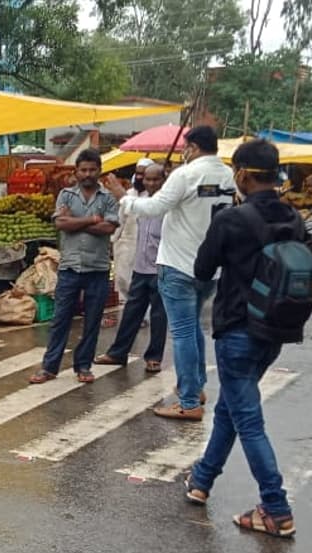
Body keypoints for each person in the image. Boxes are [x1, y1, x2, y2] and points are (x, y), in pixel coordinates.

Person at [184, 139, 301, 539]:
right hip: (277, 328)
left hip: (237, 328)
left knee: (247, 419)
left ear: (243, 174)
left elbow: (202, 269)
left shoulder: (232, 220)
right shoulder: (293, 216)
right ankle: (201, 480)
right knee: (231, 408)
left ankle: (276, 508)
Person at [103, 126, 236, 421]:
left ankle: (189, 401)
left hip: (178, 265)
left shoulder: (186, 174)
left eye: (185, 148)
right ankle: (196, 386)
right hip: (209, 267)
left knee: (184, 333)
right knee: (194, 330)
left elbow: (154, 207)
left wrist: (123, 197)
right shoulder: (226, 175)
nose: (183, 153)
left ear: (193, 147)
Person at [29, 149, 118, 384]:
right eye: (83, 170)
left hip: (97, 268)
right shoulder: (66, 195)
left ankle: (84, 366)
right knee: (60, 319)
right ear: (76, 172)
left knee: (92, 321)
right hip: (69, 267)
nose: (88, 174)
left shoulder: (107, 198)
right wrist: (91, 220)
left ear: (99, 171)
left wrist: (74, 223)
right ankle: (49, 367)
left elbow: (109, 228)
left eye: (92, 169)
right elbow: (60, 223)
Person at [95, 162, 168, 373]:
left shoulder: (167, 204)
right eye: (148, 178)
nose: (151, 183)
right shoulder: (141, 200)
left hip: (160, 268)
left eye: (156, 179)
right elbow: (124, 215)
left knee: (158, 315)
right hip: (140, 266)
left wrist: (120, 193)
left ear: (164, 181)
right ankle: (118, 352)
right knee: (131, 312)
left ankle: (154, 357)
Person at [112, 157, 156, 308]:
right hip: (125, 243)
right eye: (137, 173)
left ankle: (142, 313)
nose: (139, 177)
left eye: (143, 174)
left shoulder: (154, 197)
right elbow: (120, 219)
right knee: (122, 278)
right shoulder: (129, 193)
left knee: (140, 282)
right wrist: (113, 240)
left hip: (146, 245)